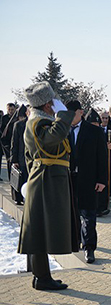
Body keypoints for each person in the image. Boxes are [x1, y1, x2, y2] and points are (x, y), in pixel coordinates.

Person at [18, 82, 82, 290]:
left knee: (40, 229)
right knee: (39, 230)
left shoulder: (40, 121)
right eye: (53, 101)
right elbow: (55, 138)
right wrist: (64, 114)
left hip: (46, 178)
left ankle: (42, 276)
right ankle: (41, 277)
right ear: (47, 105)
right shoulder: (38, 123)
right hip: (47, 180)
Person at [66, 102, 107, 264]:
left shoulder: (94, 131)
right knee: (72, 213)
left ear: (81, 112)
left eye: (72, 113)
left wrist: (101, 180)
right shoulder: (62, 131)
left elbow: (102, 157)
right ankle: (74, 242)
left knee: (89, 215)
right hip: (68, 179)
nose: (69, 116)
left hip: (88, 180)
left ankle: (89, 248)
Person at [10, 105, 29, 205]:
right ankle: (19, 198)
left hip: (34, 160)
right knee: (22, 179)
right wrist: (14, 160)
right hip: (22, 158)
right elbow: (15, 143)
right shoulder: (19, 125)